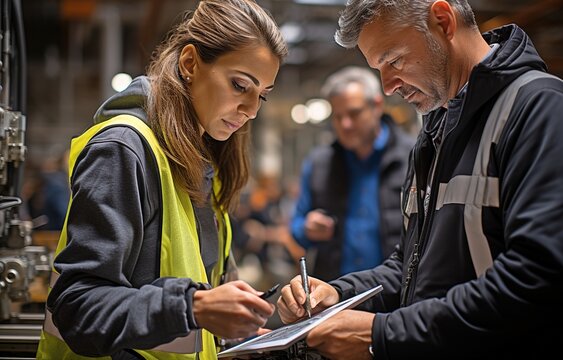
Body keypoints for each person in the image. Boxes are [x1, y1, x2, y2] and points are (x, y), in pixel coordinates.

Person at [277, 1, 563, 359]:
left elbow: (536, 278)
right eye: (378, 69)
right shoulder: (437, 130)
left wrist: (381, 333)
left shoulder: (539, 108)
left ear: (443, 21)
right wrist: (338, 294)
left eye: (393, 60)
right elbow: (410, 266)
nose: (387, 85)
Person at [36, 0, 287, 359]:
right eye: (239, 85)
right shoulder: (124, 149)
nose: (252, 110)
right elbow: (75, 306)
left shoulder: (203, 161)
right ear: (189, 64)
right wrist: (193, 308)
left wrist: (232, 329)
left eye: (261, 94)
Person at [290, 66, 415, 281]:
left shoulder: (412, 156)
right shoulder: (319, 163)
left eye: (354, 113)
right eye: (337, 117)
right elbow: (297, 225)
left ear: (377, 105)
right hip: (335, 293)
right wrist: (307, 228)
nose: (344, 124)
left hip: (394, 295)